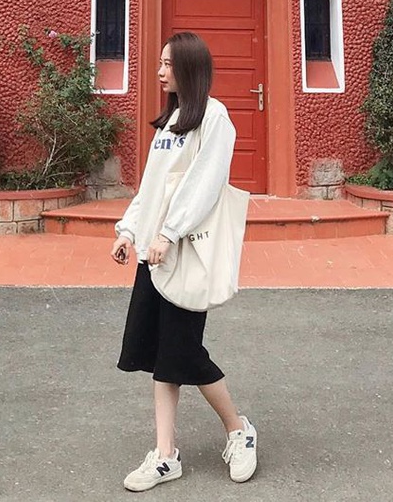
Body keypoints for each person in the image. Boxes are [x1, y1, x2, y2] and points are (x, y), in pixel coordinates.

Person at [111, 31, 257, 491]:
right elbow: (152, 187)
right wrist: (128, 230)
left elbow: (205, 185)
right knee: (162, 356)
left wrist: (169, 233)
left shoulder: (215, 119)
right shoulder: (171, 122)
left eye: (167, 65)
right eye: (160, 63)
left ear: (189, 69)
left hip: (183, 252)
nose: (160, 72)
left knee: (184, 352)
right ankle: (165, 455)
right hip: (154, 254)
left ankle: (239, 429)